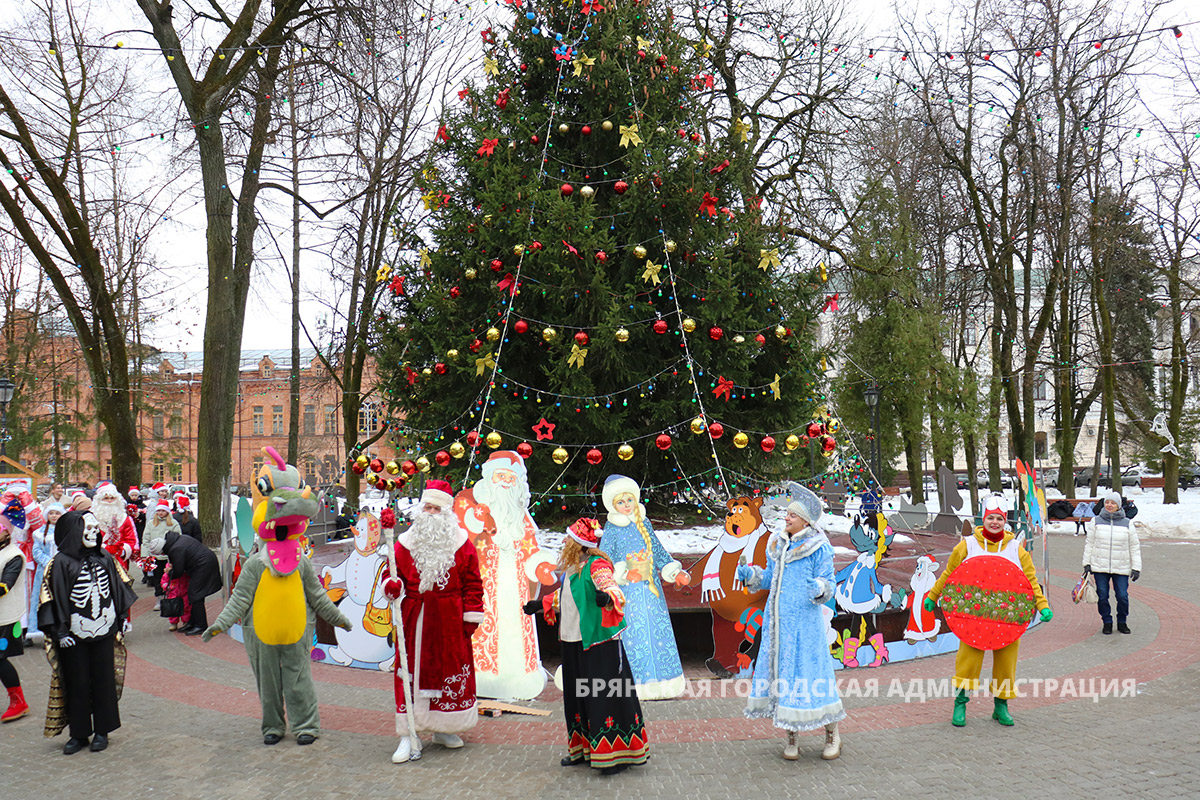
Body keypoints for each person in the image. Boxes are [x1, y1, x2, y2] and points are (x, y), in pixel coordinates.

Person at [524, 517, 648, 775]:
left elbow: (612, 588)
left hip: (598, 643)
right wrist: (542, 605)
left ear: (579, 544)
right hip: (572, 641)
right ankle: (582, 749)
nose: (563, 541)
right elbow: (570, 596)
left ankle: (615, 755)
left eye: (568, 538)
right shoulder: (573, 568)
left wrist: (607, 597)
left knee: (603, 696)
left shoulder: (597, 565)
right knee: (577, 697)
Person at [736, 487, 845, 761]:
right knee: (784, 679)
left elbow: (829, 584)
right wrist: (750, 574)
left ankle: (832, 734)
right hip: (778, 627)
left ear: (805, 521)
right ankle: (791, 738)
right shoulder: (777, 544)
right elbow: (768, 578)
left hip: (805, 627)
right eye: (787, 513)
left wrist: (818, 587)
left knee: (813, 677)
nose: (787, 518)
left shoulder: (818, 547)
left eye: (792, 515)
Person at [381, 479, 484, 764]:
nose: (430, 512)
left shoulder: (462, 545)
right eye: (427, 507)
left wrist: (470, 619)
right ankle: (408, 734)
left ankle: (444, 728)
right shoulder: (403, 544)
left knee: (448, 671)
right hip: (415, 619)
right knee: (409, 674)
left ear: (447, 512)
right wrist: (392, 588)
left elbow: (474, 585)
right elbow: (392, 577)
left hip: (450, 621)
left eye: (436, 508)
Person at [926, 494, 1052, 727]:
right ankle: (961, 703)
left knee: (1006, 662)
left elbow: (1030, 581)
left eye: (999, 519)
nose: (995, 522)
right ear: (983, 519)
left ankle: (1001, 705)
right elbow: (949, 574)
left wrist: (1042, 604)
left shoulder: (1017, 549)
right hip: (973, 617)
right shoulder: (968, 545)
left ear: (1005, 522)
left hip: (1008, 617)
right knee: (969, 661)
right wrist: (933, 596)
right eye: (990, 518)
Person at [454, 450, 555, 700]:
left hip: (516, 585)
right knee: (484, 627)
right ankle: (482, 675)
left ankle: (519, 675)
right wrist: (477, 521)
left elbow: (531, 547)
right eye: (501, 476)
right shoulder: (474, 510)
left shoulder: (521, 517)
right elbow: (464, 536)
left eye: (512, 478)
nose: (506, 483)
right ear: (489, 479)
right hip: (484, 583)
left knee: (515, 628)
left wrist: (540, 567)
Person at [37, 511, 137, 753]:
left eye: (95, 528)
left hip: (104, 630)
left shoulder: (104, 557)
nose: (94, 533)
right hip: (73, 634)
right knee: (76, 682)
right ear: (74, 533)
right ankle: (79, 733)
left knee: (103, 680)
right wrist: (60, 632)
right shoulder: (59, 563)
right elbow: (51, 598)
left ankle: (102, 730)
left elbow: (118, 589)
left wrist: (122, 618)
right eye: (88, 529)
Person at [599, 475, 688, 699]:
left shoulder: (643, 523)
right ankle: (636, 684)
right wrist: (623, 573)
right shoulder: (612, 528)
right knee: (634, 634)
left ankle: (666, 681)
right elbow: (604, 559)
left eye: (629, 499)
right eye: (621, 501)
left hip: (651, 590)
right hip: (628, 591)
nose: (626, 505)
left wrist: (673, 571)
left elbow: (657, 550)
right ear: (613, 505)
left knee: (657, 632)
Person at [1083, 490, 1141, 635]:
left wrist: (1136, 567)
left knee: (1122, 595)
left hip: (1121, 567)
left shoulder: (1127, 523)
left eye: (1113, 503)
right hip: (1099, 566)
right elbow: (1089, 543)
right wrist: (1086, 563)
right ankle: (1107, 621)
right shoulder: (1095, 521)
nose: (1109, 505)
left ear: (1119, 505)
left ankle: (1122, 621)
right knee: (1102, 595)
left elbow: (1134, 546)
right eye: (1107, 502)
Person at [150, 529, 221, 636]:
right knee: (193, 594)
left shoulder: (175, 549)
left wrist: (169, 573)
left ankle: (200, 625)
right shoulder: (179, 539)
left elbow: (178, 571)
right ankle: (192, 623)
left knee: (195, 595)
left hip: (203, 566)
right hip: (205, 563)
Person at [0, 519, 30, 722]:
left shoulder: (14, 555)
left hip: (5, 617)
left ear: (6, 533)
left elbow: (5, 586)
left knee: (0, 659)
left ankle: (18, 702)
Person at [26, 503, 63, 641]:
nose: (54, 516)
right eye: (51, 513)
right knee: (42, 600)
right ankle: (42, 629)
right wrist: (49, 562)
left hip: (62, 571)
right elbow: (36, 552)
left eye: (57, 513)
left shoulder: (66, 531)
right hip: (44, 572)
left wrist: (61, 562)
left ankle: (60, 630)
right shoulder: (41, 532)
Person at [90, 482, 138, 571]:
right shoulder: (91, 518)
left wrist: (122, 550)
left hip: (119, 561)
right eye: (105, 498)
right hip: (97, 560)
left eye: (112, 498)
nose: (109, 501)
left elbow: (131, 540)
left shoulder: (124, 518)